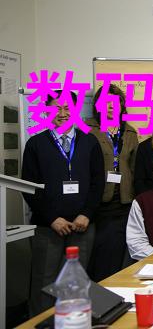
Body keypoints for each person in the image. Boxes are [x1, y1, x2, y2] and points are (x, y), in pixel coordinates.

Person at [21, 90, 105, 315]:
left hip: (82, 226)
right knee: (44, 283)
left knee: (77, 283)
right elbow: (29, 187)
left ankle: (74, 323)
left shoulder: (89, 142)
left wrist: (86, 213)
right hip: (48, 228)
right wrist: (52, 218)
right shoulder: (36, 144)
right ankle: (40, 325)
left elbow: (98, 182)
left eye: (68, 108)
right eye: (56, 108)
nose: (62, 113)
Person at [85, 85, 139, 281]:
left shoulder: (129, 132)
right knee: (99, 257)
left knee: (121, 257)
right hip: (98, 204)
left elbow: (134, 167)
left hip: (124, 204)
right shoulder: (87, 129)